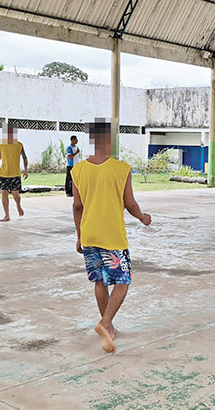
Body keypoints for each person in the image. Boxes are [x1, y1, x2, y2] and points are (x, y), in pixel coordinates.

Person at [72, 118, 151, 354]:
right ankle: (105, 323)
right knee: (122, 281)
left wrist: (79, 236)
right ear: (109, 141)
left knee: (99, 281)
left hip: (89, 234)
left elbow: (77, 206)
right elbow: (129, 203)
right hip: (112, 236)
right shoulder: (121, 168)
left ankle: (109, 326)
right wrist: (142, 217)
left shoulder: (78, 170)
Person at [0, 122, 28, 222]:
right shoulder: (1, 144)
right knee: (4, 194)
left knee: (15, 193)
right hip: (3, 173)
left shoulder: (19, 145)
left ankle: (18, 205)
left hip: (15, 173)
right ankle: (6, 215)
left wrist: (26, 170)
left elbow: (25, 158)